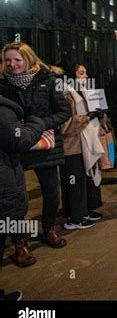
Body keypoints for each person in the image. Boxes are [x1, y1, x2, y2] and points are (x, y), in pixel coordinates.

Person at [0, 42, 70, 247]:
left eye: (17, 60)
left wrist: (37, 125)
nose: (12, 64)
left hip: (44, 146)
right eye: (7, 60)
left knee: (51, 189)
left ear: (28, 59)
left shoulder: (49, 80)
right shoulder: (3, 84)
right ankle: (19, 241)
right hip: (14, 147)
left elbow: (64, 112)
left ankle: (49, 229)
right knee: (16, 197)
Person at [0, 95, 46, 267]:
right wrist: (35, 121)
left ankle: (20, 242)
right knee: (10, 212)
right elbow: (20, 139)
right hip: (6, 178)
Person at [61, 64, 106, 230]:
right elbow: (64, 125)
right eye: (81, 73)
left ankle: (85, 210)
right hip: (73, 144)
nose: (85, 77)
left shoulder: (84, 91)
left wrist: (100, 114)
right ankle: (75, 217)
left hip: (86, 141)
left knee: (87, 178)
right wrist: (87, 117)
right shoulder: (65, 94)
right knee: (75, 180)